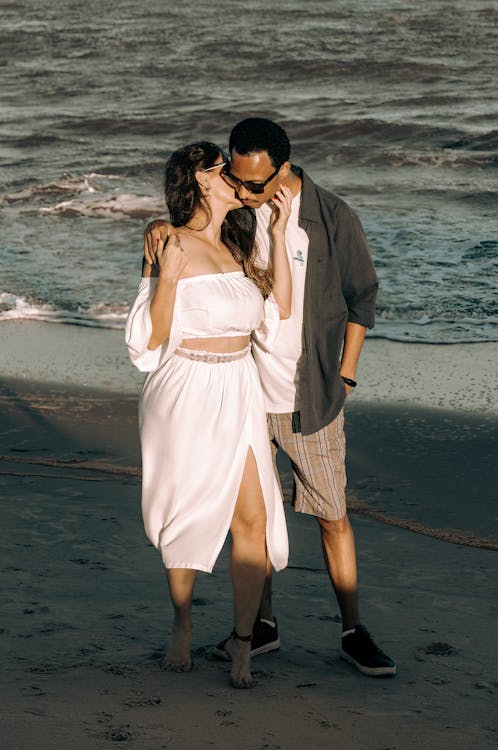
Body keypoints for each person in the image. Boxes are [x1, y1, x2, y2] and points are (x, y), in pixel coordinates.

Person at [144, 120, 396, 677]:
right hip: (244, 394)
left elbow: (363, 300)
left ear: (283, 169)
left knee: (331, 514)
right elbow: (193, 234)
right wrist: (162, 227)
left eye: (256, 182)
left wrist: (346, 377)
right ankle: (259, 627)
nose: (247, 190)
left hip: (310, 396)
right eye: (236, 177)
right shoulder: (236, 217)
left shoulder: (332, 218)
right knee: (255, 519)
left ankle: (352, 630)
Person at [126, 141, 293, 688]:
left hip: (239, 388)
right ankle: (182, 621)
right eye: (227, 171)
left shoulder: (239, 245)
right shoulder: (167, 241)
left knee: (254, 520)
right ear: (201, 179)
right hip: (187, 390)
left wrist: (275, 232)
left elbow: (279, 312)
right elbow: (147, 343)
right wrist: (166, 278)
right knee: (188, 512)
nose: (239, 180)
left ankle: (243, 643)